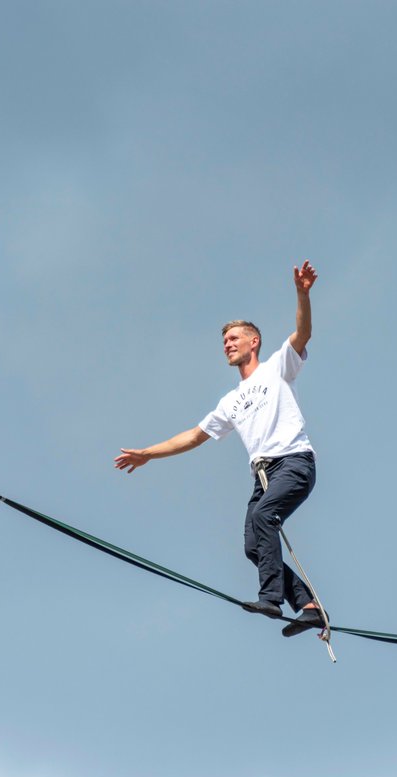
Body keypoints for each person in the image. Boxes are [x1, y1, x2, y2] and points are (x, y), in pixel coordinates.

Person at [114, 261, 325, 634]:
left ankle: (271, 599)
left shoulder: (277, 367)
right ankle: (308, 606)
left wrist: (302, 293)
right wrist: (147, 453)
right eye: (224, 341)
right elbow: (193, 437)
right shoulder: (230, 401)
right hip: (262, 475)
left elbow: (303, 332)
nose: (227, 344)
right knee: (253, 545)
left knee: (265, 518)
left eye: (234, 338)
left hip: (293, 462)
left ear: (253, 342)